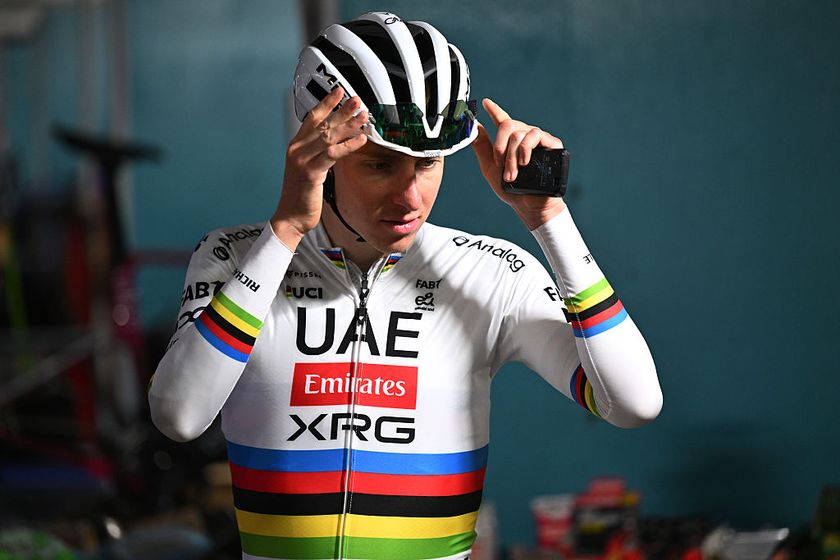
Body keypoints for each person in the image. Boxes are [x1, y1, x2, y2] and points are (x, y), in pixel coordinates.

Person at [148, 11, 662, 560]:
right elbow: (180, 416)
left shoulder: (490, 272)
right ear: (320, 151)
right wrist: (286, 232)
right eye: (380, 166)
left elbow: (634, 403)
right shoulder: (235, 257)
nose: (410, 197)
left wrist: (550, 220)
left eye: (429, 162)